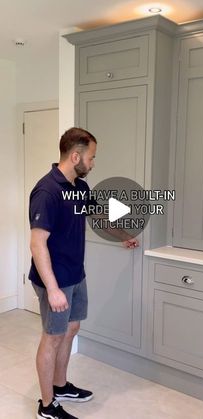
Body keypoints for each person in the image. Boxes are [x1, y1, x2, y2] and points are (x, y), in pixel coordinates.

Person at [29, 127, 138, 419]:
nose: (93, 163)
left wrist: (122, 235)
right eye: (91, 157)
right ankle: (47, 406)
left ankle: (60, 385)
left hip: (76, 274)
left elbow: (98, 216)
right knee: (52, 336)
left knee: (71, 329)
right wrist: (52, 289)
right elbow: (37, 243)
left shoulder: (79, 186)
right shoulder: (47, 191)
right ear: (75, 155)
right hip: (55, 279)